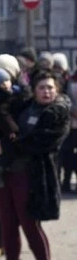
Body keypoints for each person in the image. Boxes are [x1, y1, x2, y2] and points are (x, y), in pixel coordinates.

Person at [0, 70, 70, 260]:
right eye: (42, 88)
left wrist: (6, 146)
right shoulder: (23, 107)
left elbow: (41, 143)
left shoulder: (57, 113)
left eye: (50, 88)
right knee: (7, 223)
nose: (46, 92)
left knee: (30, 224)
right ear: (34, 91)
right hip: (6, 172)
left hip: (32, 174)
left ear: (57, 90)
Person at [62, 62, 77, 193]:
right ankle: (66, 182)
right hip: (71, 124)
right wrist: (72, 111)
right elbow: (65, 98)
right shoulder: (70, 80)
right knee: (68, 155)